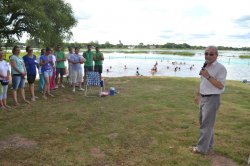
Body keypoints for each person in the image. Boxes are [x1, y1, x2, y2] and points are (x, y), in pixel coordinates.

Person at [193, 46, 227, 154]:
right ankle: (210, 144)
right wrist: (198, 94)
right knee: (205, 123)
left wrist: (208, 76)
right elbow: (203, 81)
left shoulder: (221, 68)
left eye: (211, 54)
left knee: (206, 125)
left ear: (217, 55)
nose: (208, 55)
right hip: (203, 97)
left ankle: (201, 149)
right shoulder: (205, 66)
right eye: (206, 53)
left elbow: (221, 86)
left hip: (212, 98)